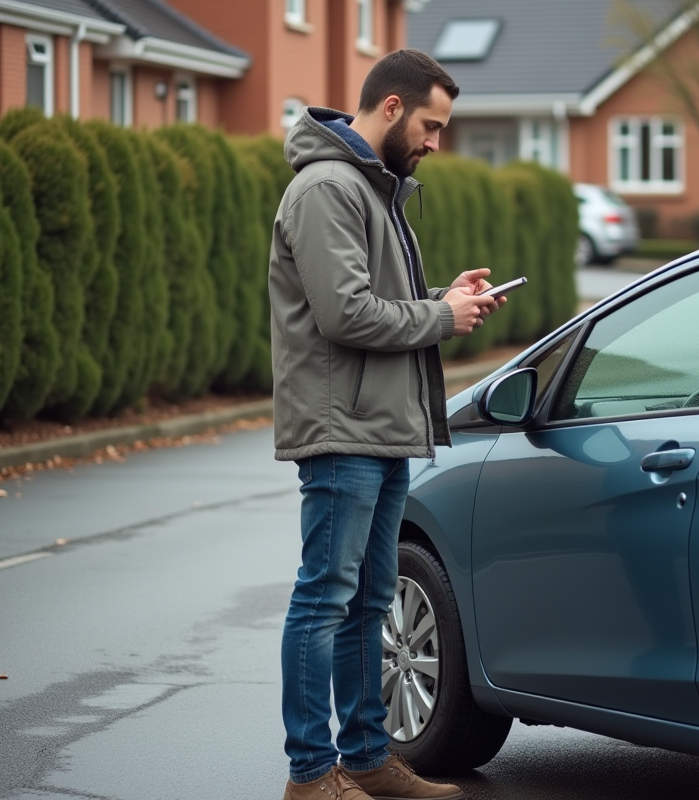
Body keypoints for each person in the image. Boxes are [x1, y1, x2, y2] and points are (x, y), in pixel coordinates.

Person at [268, 49, 502, 800]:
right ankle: (311, 776)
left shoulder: (375, 190)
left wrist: (444, 295)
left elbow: (372, 299)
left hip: (383, 427)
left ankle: (367, 759)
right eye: (432, 124)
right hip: (343, 433)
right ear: (393, 108)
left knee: (370, 602)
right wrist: (440, 316)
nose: (437, 141)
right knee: (325, 599)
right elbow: (345, 314)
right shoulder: (326, 188)